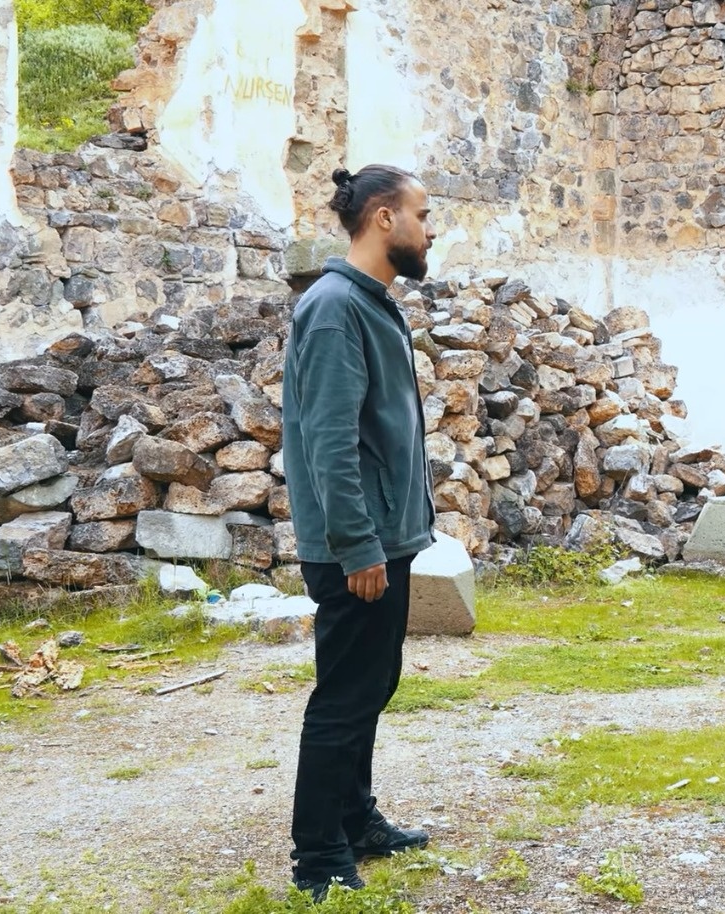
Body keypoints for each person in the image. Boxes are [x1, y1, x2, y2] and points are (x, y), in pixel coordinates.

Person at [281, 164, 439, 898]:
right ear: (384, 219)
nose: (430, 230)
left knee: (371, 686)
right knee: (343, 699)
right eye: (424, 215)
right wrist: (357, 545)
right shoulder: (336, 307)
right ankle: (318, 858)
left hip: (383, 537)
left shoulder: (368, 302)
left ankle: (356, 820)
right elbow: (328, 440)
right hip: (359, 545)